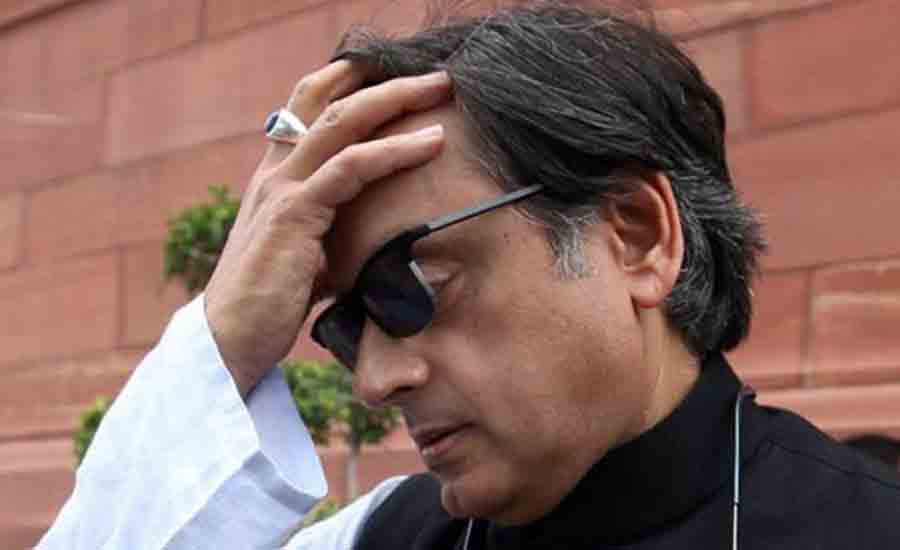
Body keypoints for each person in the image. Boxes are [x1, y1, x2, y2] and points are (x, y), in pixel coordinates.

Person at [39, 2, 900, 549]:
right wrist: (226, 336)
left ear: (636, 236)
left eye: (412, 286)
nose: (374, 382)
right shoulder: (386, 537)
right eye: (346, 326)